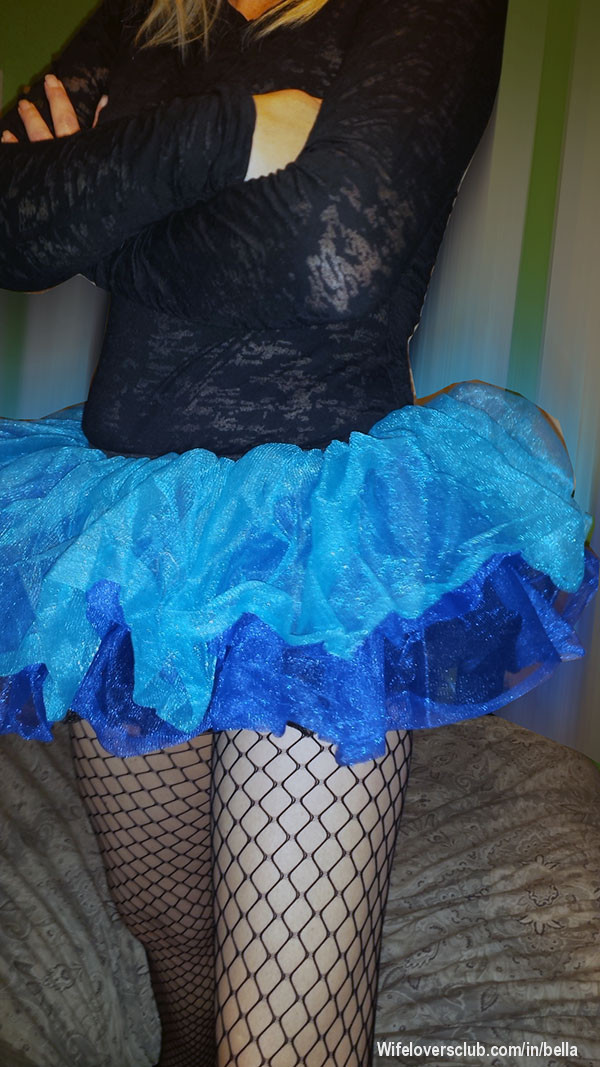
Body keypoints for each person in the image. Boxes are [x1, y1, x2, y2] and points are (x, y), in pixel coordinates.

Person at [0, 1, 597, 1065]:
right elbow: (12, 223)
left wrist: (105, 211)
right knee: (161, 917)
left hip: (317, 550)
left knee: (284, 1027)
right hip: (126, 535)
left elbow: (334, 261)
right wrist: (232, 133)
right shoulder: (144, 13)